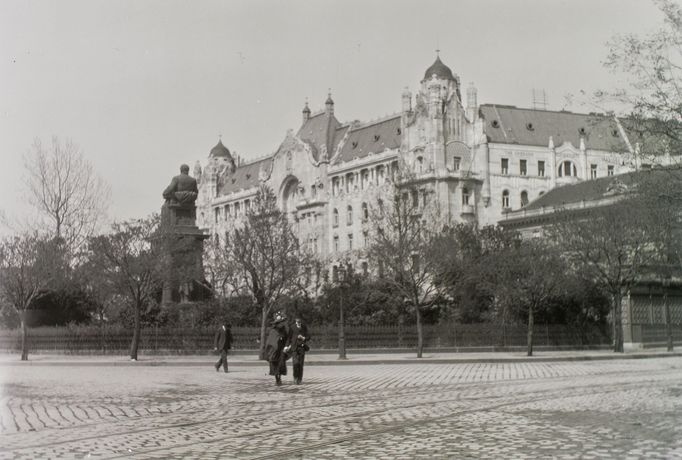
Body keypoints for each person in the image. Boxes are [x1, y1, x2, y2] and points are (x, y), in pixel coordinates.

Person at [264, 312, 290, 385]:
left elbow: (287, 338)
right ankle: (277, 379)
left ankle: (279, 378)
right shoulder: (272, 331)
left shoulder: (284, 331)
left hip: (281, 349)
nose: (280, 324)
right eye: (278, 323)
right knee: (274, 363)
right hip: (274, 350)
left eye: (281, 322)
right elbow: (269, 341)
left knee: (281, 363)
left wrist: (286, 346)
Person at [288, 317, 311, 385]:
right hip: (294, 347)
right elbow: (289, 338)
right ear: (295, 321)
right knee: (295, 363)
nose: (299, 323)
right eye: (298, 322)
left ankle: (299, 379)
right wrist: (287, 346)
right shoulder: (292, 327)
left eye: (300, 322)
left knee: (301, 364)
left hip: (302, 347)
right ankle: (295, 378)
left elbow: (308, 337)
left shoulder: (304, 327)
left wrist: (304, 338)